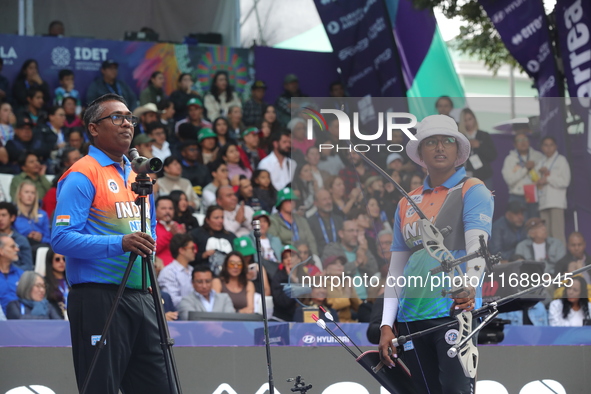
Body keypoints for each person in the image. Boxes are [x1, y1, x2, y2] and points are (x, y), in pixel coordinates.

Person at [51, 93, 169, 393]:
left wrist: (150, 287)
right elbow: (61, 238)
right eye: (117, 118)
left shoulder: (138, 175)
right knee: (101, 387)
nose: (127, 124)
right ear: (93, 128)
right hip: (98, 298)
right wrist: (120, 243)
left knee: (159, 386)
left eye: (130, 117)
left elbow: (149, 229)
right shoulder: (82, 174)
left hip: (141, 297)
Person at [379, 115, 494, 394]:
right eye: (431, 142)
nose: (440, 147)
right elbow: (396, 269)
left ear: (458, 151)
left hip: (454, 313)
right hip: (409, 318)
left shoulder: (472, 189)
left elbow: (477, 247)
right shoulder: (406, 201)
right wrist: (385, 324)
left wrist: (469, 286)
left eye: (447, 141)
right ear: (420, 153)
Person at [322, 218, 378, 300]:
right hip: (343, 299)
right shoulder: (332, 249)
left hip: (367, 299)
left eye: (357, 231)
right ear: (341, 233)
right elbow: (332, 273)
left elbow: (374, 271)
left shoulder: (361, 249)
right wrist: (357, 262)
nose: (355, 234)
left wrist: (363, 253)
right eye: (351, 231)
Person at [501, 130, 545, 220]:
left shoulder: (538, 156)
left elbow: (543, 177)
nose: (523, 142)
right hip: (517, 196)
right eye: (519, 141)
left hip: (535, 195)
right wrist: (525, 169)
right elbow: (510, 180)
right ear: (515, 144)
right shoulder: (510, 159)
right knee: (518, 225)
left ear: (529, 141)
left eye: (525, 139)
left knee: (534, 223)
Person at [536, 136, 570, 245]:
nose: (548, 148)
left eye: (551, 145)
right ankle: (549, 261)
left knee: (557, 234)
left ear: (555, 146)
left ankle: (561, 261)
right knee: (546, 235)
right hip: (543, 202)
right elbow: (534, 181)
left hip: (556, 202)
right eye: (546, 145)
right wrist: (538, 176)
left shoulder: (561, 160)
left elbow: (565, 181)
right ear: (542, 147)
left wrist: (548, 179)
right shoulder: (540, 163)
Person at [268, 187, 318, 256]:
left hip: (305, 255)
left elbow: (311, 241)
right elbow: (274, 243)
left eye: (293, 200)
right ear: (281, 202)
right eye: (288, 200)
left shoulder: (301, 220)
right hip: (286, 257)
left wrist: (314, 256)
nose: (291, 203)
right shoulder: (273, 220)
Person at [458, 108, 497, 189]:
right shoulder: (460, 138)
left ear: (474, 119)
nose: (468, 122)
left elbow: (493, 155)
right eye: (465, 120)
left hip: (484, 176)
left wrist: (479, 146)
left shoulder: (484, 135)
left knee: (486, 200)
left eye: (470, 119)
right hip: (465, 177)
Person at [157, 234, 196, 308]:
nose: (195, 251)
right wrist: (197, 303)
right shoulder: (168, 272)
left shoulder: (192, 270)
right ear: (181, 250)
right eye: (192, 248)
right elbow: (172, 300)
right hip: (178, 316)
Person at [323, 255, 363, 323]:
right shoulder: (322, 284)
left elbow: (358, 307)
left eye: (341, 264)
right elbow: (331, 306)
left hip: (349, 323)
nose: (339, 265)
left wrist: (350, 288)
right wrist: (347, 294)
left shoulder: (345, 284)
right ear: (327, 269)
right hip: (332, 324)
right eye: (335, 263)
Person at [307, 189, 344, 256]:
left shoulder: (339, 220)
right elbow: (312, 245)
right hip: (322, 257)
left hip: (340, 256)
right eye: (324, 199)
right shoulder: (310, 222)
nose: (328, 202)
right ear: (316, 203)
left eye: (329, 198)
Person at [0, 202, 33, 271]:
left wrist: (9, 269)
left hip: (17, 278)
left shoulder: (21, 240)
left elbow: (28, 266)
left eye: (3, 215)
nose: (0, 219)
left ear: (12, 217)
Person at [154, 196, 186, 266]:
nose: (167, 211)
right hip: (160, 268)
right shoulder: (152, 226)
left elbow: (192, 250)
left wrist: (184, 238)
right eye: (163, 208)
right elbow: (153, 249)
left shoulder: (178, 227)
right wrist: (170, 235)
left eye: (170, 208)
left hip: (180, 267)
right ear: (155, 210)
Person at [270, 245, 299, 321]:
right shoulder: (278, 278)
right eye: (285, 257)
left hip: (302, 319)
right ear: (282, 263)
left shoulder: (305, 276)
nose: (289, 259)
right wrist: (292, 281)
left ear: (299, 260)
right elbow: (283, 303)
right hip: (282, 320)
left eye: (292, 256)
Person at [0, 235, 24, 314]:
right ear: (1, 251)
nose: (17, 249)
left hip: (20, 321)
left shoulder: (21, 274)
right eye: (12, 247)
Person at [44, 248, 69, 319]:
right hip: (55, 319)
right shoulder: (44, 282)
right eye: (57, 259)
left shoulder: (72, 280)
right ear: (50, 261)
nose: (61, 262)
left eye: (64, 259)